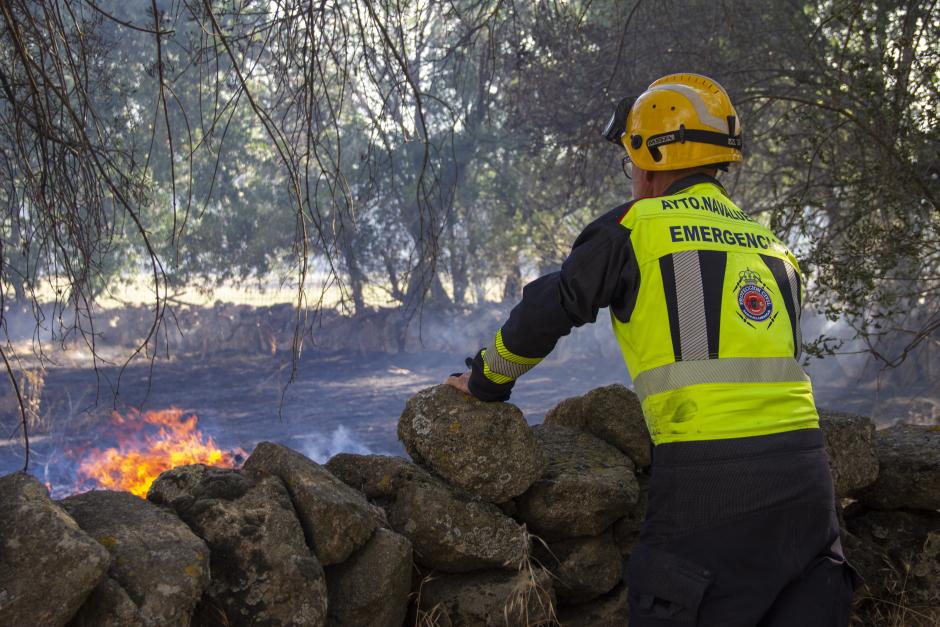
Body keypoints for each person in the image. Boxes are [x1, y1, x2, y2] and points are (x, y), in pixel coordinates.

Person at [446, 73, 858, 626]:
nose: (633, 176)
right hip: (808, 480)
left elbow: (552, 307)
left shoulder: (634, 228)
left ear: (651, 159)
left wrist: (484, 382)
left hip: (707, 483)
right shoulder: (774, 249)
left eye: (630, 160)